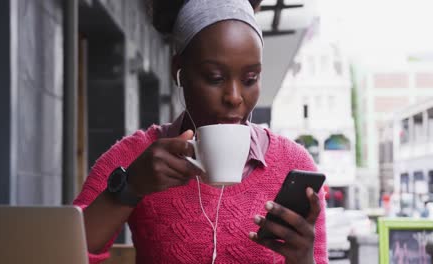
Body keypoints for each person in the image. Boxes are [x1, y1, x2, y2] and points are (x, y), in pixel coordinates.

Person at [73, 0, 327, 263]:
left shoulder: (293, 164)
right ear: (178, 71)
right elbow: (61, 252)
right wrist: (131, 187)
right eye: (215, 77)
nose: (234, 97)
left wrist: (304, 258)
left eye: (250, 79)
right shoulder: (138, 156)